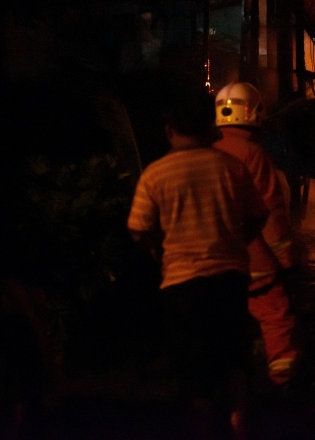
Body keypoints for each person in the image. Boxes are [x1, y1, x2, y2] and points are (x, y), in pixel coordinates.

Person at [127, 87, 265, 435]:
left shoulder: (156, 174)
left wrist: (160, 248)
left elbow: (138, 229)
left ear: (169, 130)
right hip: (229, 276)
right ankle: (238, 427)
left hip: (182, 283)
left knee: (193, 367)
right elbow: (256, 216)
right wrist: (234, 241)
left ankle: (200, 429)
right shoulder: (232, 168)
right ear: (211, 127)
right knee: (233, 358)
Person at [212, 81, 299, 386]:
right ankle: (282, 381)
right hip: (253, 256)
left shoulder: (207, 149)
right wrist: (286, 259)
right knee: (277, 317)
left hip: (212, 258)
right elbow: (270, 211)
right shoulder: (253, 154)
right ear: (256, 113)